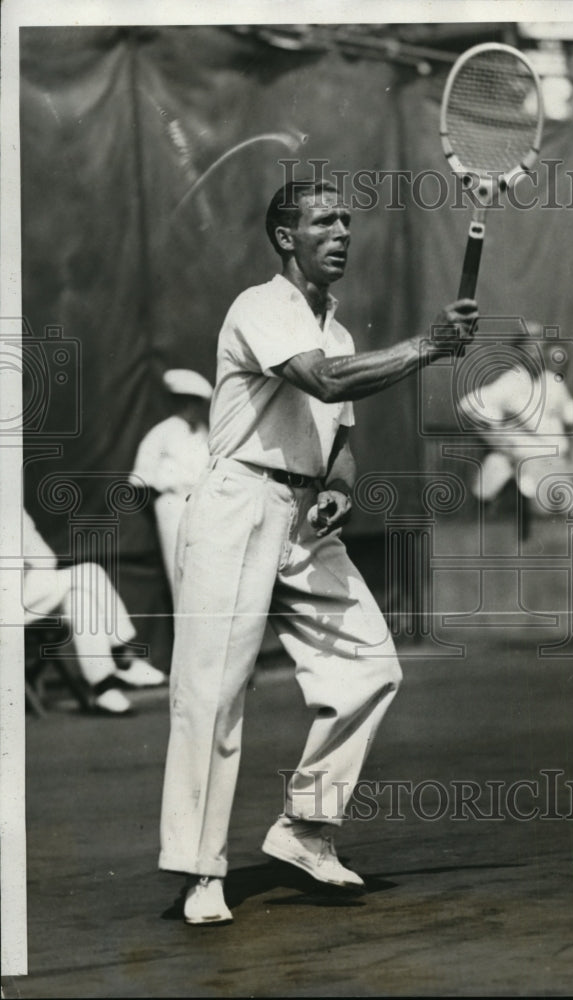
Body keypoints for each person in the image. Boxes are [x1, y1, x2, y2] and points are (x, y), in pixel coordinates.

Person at [159, 179, 478, 925]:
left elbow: (341, 434)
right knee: (213, 690)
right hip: (237, 503)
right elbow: (325, 381)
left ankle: (305, 828)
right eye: (323, 221)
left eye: (347, 221)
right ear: (284, 237)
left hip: (303, 516)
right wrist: (430, 344)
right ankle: (200, 871)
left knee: (370, 665)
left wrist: (337, 482)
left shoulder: (338, 330)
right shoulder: (260, 307)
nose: (341, 232)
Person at [23, 508, 166, 715]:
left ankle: (103, 687)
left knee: (79, 598)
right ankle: (123, 656)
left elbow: (46, 559)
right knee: (90, 573)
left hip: (27, 593)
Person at [459, 333, 573, 534]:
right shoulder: (509, 383)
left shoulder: (552, 382)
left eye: (539, 348)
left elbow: (571, 416)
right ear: (520, 353)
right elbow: (468, 405)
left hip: (556, 463)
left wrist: (572, 457)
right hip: (528, 462)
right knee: (540, 521)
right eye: (530, 349)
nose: (536, 354)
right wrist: (502, 440)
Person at [130, 369, 213, 603]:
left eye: (197, 403)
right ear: (178, 402)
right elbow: (139, 482)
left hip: (201, 507)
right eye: (187, 402)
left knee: (204, 572)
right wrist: (160, 508)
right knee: (178, 571)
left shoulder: (204, 433)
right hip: (172, 505)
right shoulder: (162, 432)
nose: (192, 408)